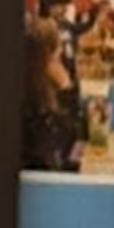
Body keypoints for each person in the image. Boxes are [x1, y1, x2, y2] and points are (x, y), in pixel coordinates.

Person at [24, 17, 82, 174]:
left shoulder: (35, 89)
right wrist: (66, 87)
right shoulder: (37, 104)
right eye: (58, 46)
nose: (62, 51)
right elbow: (70, 145)